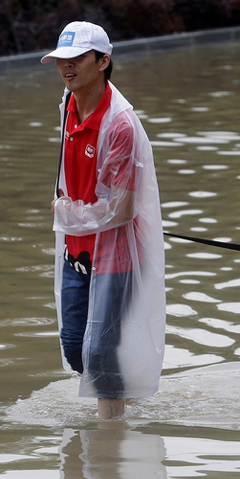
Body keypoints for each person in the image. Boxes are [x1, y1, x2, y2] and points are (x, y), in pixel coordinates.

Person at [42, 21, 165, 419]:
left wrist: (66, 212)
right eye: (62, 59)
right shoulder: (68, 104)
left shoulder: (120, 125)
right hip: (76, 250)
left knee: (100, 353)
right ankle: (119, 403)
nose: (67, 67)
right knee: (75, 346)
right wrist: (70, 218)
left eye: (77, 58)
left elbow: (121, 210)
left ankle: (111, 454)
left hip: (115, 256)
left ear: (103, 61)